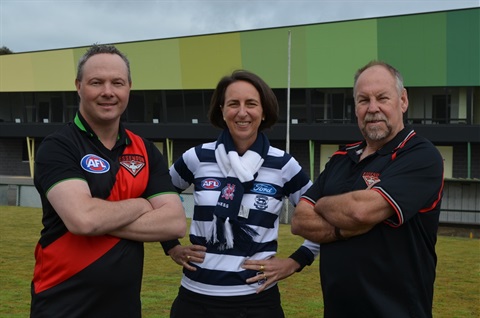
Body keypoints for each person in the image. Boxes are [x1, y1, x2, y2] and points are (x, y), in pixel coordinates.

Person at [30, 44, 187, 318]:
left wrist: (98, 216)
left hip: (124, 309)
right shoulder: (58, 147)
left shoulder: (146, 151)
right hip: (62, 304)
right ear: (78, 86)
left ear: (129, 88)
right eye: (96, 82)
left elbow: (174, 222)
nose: (108, 92)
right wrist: (141, 204)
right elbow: (83, 220)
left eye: (117, 83)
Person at [291, 61, 444, 318]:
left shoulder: (421, 155)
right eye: (363, 100)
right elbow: (299, 221)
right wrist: (342, 227)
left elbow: (359, 212)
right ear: (356, 108)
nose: (373, 108)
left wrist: (323, 204)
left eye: (382, 98)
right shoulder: (341, 157)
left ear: (403, 100)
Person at [161, 70, 319, 318]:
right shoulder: (196, 158)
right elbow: (157, 198)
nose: (242, 112)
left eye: (251, 104)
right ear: (222, 111)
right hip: (195, 301)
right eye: (233, 104)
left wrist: (295, 262)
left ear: (264, 111)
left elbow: (322, 218)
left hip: (257, 303)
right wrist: (171, 246)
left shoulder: (283, 165)